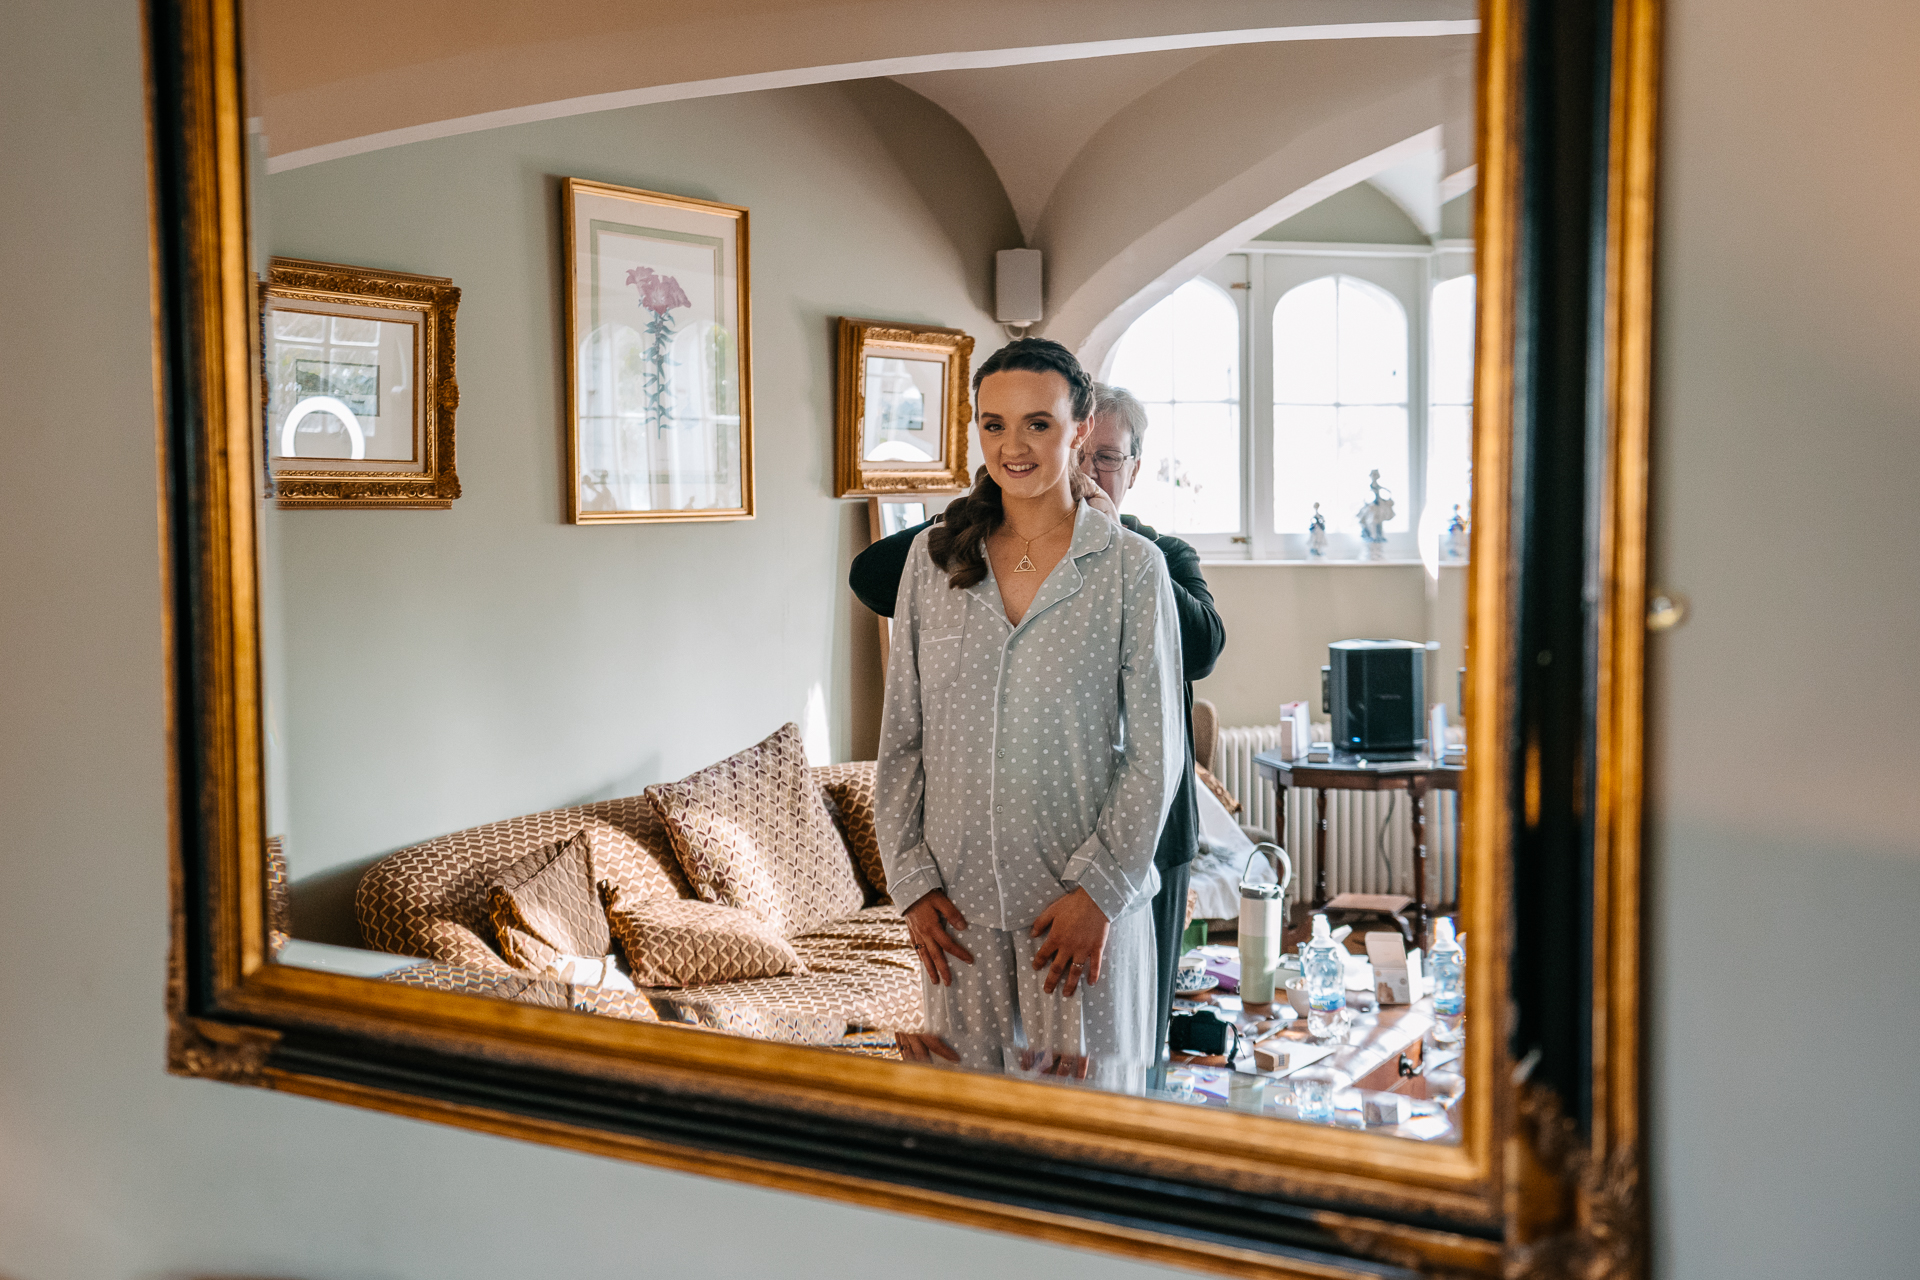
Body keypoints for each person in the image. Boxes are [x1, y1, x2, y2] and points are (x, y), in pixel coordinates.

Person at [853, 382, 1225, 1073]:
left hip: (1146, 835)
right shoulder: (978, 548)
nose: (1090, 472)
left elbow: (1203, 646)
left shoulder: (1155, 556)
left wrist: (1111, 532)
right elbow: (874, 577)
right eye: (1082, 454)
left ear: (1135, 469)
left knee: (1129, 1037)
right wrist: (992, 509)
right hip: (994, 867)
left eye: (1108, 458)